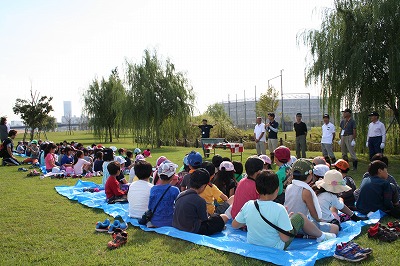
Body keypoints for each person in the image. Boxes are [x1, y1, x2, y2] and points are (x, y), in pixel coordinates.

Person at [232, 170, 336, 249]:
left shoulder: (248, 205)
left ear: (256, 189)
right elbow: (285, 238)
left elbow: (235, 225)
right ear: (277, 190)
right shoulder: (279, 209)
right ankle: (322, 236)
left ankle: (321, 235)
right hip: (276, 247)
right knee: (299, 217)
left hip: (253, 243)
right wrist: (286, 219)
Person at [285, 159, 339, 235]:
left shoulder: (289, 186)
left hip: (288, 223)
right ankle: (309, 235)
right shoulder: (306, 191)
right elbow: (314, 214)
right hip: (300, 226)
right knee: (335, 228)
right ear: (310, 175)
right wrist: (323, 221)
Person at [173, 168, 229, 235]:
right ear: (203, 186)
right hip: (193, 230)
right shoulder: (199, 200)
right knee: (224, 217)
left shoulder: (180, 194)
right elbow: (205, 220)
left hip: (177, 226)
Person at [147, 161, 180, 227]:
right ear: (173, 176)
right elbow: (178, 207)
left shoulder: (153, 189)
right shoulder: (175, 190)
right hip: (169, 222)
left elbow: (150, 206)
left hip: (155, 221)